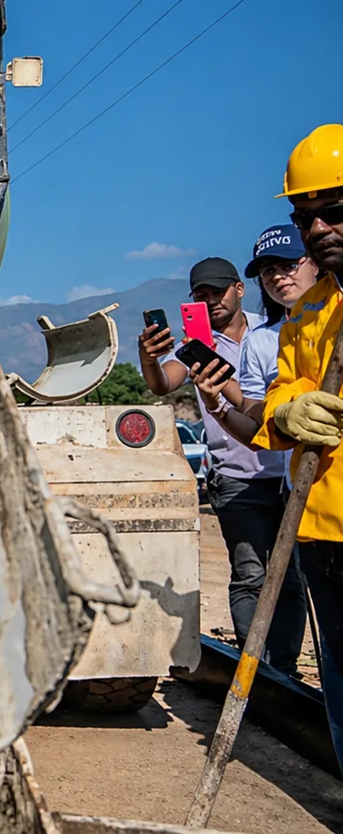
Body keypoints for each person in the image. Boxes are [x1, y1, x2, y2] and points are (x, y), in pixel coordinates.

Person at [138, 256, 304, 674]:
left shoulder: (276, 329)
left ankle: (282, 669)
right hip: (235, 478)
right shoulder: (195, 347)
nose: (210, 301)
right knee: (250, 573)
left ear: (239, 289)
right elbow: (161, 384)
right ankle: (256, 670)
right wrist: (148, 359)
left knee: (290, 577)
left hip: (287, 473)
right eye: (200, 295)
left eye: (217, 291)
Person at [255, 122, 343, 768]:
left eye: (332, 212)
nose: (317, 230)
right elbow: (278, 405)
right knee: (340, 685)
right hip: (319, 531)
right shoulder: (309, 314)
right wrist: (292, 409)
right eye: (304, 217)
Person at [189, 225, 319, 450]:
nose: (278, 276)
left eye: (290, 266)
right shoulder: (260, 340)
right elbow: (258, 433)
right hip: (302, 478)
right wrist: (216, 405)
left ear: (316, 264)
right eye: (268, 271)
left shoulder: (336, 320)